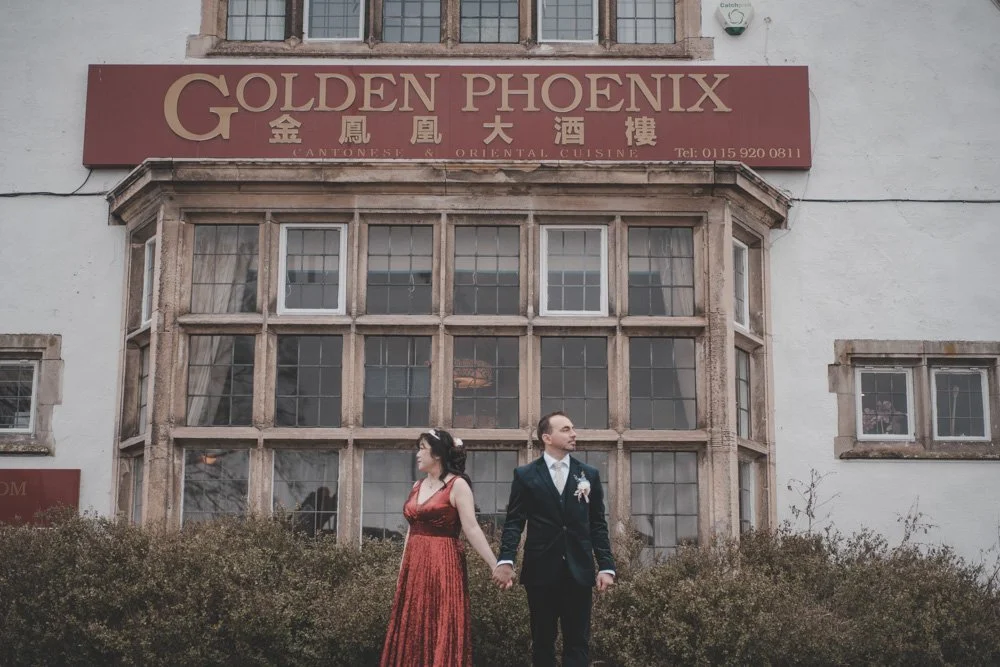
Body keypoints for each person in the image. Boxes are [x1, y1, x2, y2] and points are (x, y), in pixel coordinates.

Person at [493, 411, 616, 667]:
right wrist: (506, 560)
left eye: (573, 428)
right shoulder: (526, 475)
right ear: (547, 438)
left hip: (579, 570)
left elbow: (597, 524)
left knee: (578, 643)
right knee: (542, 644)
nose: (574, 434)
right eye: (566, 429)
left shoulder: (588, 475)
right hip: (540, 571)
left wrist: (606, 565)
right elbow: (514, 522)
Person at [380, 428, 500, 667]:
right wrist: (403, 569)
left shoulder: (457, 485)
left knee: (440, 620)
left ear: (437, 454)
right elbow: (412, 530)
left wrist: (495, 564)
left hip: (443, 563)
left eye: (422, 449)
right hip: (415, 565)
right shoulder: (417, 485)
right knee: (414, 625)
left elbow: (471, 528)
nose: (417, 454)